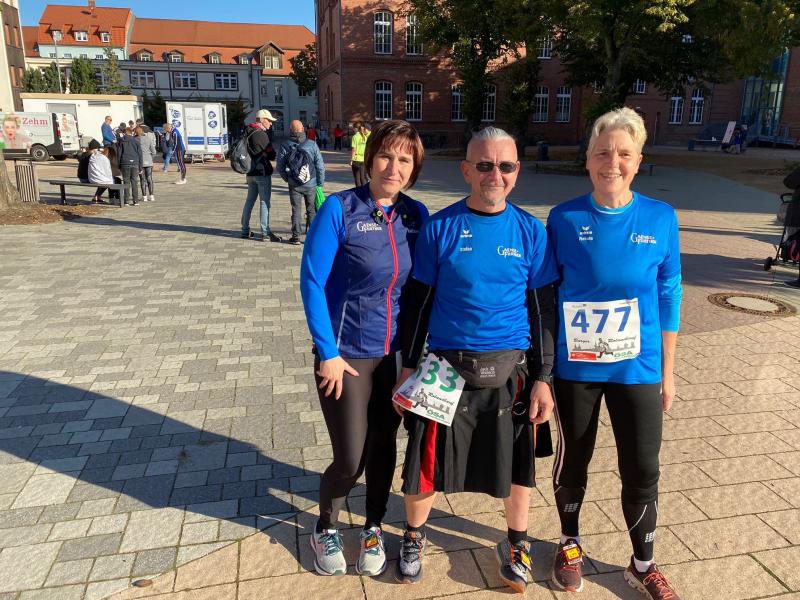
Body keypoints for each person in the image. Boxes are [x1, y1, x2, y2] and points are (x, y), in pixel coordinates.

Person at [394, 127, 558, 593]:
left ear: (517, 172)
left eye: (505, 166)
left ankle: (517, 544)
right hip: (445, 365)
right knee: (422, 461)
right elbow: (419, 302)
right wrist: (408, 367)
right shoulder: (440, 228)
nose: (494, 175)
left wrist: (544, 377)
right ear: (466, 170)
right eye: (484, 165)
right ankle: (413, 535)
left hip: (510, 367)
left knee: (517, 464)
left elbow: (542, 310)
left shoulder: (531, 231)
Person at [546, 107, 682, 599]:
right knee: (574, 459)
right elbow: (545, 294)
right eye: (603, 153)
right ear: (588, 159)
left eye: (624, 153)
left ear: (638, 160)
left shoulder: (661, 217)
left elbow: (669, 292)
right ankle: (569, 542)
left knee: (643, 466)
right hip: (576, 367)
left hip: (637, 367)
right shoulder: (563, 218)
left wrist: (669, 370)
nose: (613, 162)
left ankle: (643, 564)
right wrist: (542, 371)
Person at [300, 120, 428, 578]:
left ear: (414, 169)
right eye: (386, 156)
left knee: (383, 445)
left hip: (395, 357)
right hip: (346, 356)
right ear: (370, 158)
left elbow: (425, 288)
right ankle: (325, 527)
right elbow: (312, 282)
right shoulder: (339, 209)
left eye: (405, 160)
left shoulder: (416, 216)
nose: (394, 168)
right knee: (350, 456)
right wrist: (327, 352)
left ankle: (373, 526)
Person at [276, 119, 326, 245]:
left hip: (294, 184)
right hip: (311, 183)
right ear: (303, 129)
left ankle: (296, 237)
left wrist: (287, 178)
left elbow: (280, 167)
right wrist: (320, 183)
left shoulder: (285, 145)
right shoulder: (312, 144)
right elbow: (320, 165)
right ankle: (313, 237)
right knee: (311, 210)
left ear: (290, 130)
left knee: (295, 209)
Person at [241, 109, 281, 242]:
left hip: (250, 172)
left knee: (249, 202)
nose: (271, 123)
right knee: (264, 202)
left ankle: (245, 230)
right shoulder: (261, 134)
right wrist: (267, 153)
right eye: (269, 120)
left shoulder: (247, 131)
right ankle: (265, 233)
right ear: (263, 120)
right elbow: (272, 155)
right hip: (262, 172)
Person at [118, 127, 143, 206]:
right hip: (135, 163)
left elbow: (119, 154)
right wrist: (141, 166)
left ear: (124, 133)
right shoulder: (136, 141)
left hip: (124, 163)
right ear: (131, 132)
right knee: (134, 182)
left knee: (126, 182)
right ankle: (136, 201)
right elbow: (140, 154)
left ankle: (126, 201)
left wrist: (119, 165)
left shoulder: (121, 141)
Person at [136, 125, 157, 202]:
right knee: (149, 178)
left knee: (142, 179)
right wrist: (151, 158)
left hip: (140, 162)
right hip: (148, 160)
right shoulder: (148, 139)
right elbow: (154, 151)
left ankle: (144, 196)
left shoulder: (135, 140)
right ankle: (152, 196)